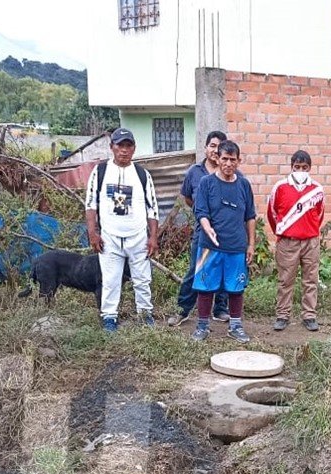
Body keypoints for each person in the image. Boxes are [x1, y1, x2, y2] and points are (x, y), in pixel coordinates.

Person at [84, 128, 159, 331]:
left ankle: (145, 314)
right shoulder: (100, 172)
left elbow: (152, 209)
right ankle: (109, 317)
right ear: (112, 147)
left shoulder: (142, 175)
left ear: (134, 148)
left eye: (128, 146)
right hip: (110, 237)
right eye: (120, 145)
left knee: (143, 279)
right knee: (110, 280)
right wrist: (93, 233)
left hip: (138, 237)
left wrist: (153, 238)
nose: (124, 150)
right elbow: (90, 205)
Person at [191, 140, 256, 343]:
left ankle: (235, 326)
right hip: (210, 246)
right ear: (217, 158)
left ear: (239, 161)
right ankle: (202, 326)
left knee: (236, 288)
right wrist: (207, 226)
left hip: (236, 246)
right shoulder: (206, 183)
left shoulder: (244, 184)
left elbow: (250, 216)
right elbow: (200, 211)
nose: (228, 163)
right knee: (205, 286)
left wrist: (251, 244)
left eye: (232, 160)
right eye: (225, 159)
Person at [169, 130, 232, 326]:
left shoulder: (232, 173)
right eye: (212, 146)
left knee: (222, 270)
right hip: (202, 232)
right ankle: (183, 309)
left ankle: (220, 309)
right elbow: (188, 199)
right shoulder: (194, 173)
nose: (215, 150)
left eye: (219, 147)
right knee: (195, 270)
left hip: (226, 232)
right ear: (205, 148)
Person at [267, 150, 325, 332]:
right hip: (287, 242)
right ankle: (283, 315)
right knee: (285, 280)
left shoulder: (317, 189)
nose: (301, 170)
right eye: (297, 167)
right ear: (291, 167)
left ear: (310, 168)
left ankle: (309, 315)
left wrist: (309, 229)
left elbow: (320, 214)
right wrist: (284, 230)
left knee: (310, 280)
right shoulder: (280, 187)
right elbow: (272, 213)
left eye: (304, 167)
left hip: (311, 241)